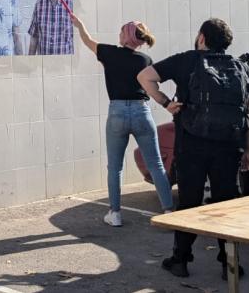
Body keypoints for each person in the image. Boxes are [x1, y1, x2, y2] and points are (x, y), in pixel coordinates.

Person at [137, 18, 249, 279]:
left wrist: (166, 103)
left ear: (202, 37)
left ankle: (180, 261)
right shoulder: (239, 67)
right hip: (229, 147)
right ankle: (230, 265)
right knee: (225, 204)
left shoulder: (187, 60)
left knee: (190, 203)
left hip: (191, 145)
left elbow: (144, 77)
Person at [72, 15, 173, 225]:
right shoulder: (145, 60)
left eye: (120, 32)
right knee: (156, 164)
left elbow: (88, 40)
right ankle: (168, 212)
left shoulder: (109, 53)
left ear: (126, 37)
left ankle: (115, 214)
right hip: (141, 111)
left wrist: (80, 24)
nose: (118, 35)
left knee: (115, 167)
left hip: (117, 112)